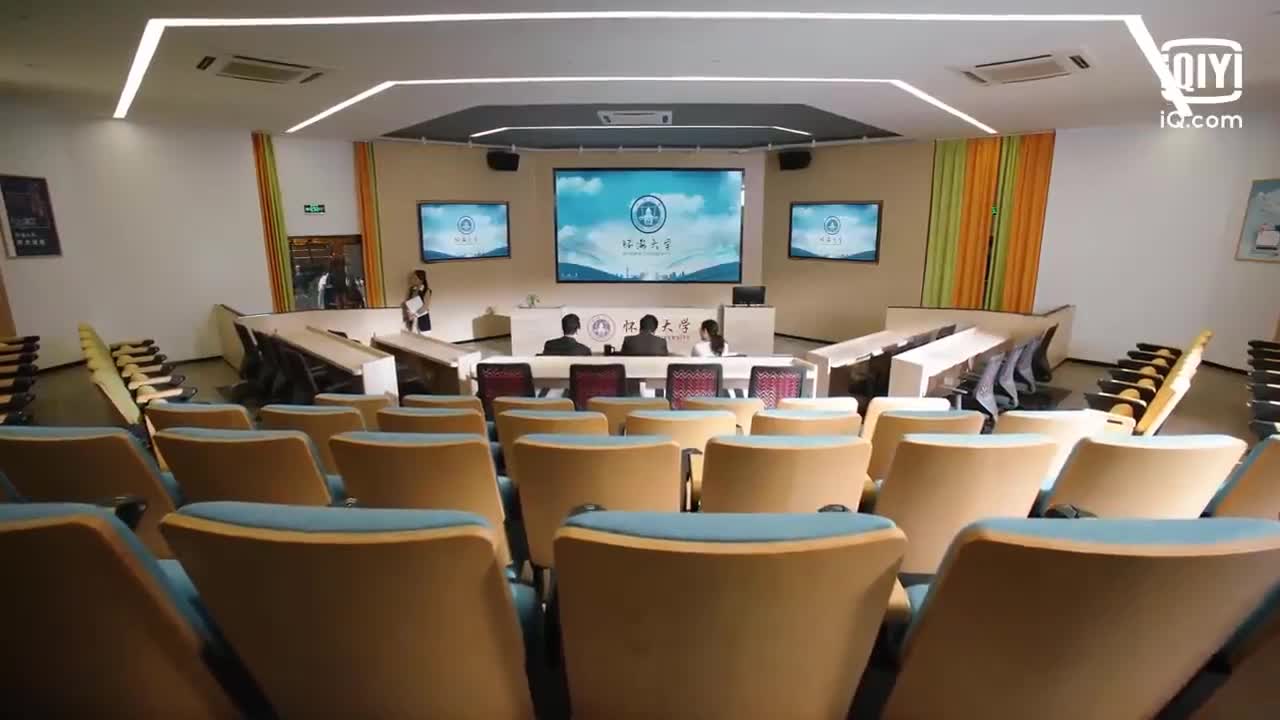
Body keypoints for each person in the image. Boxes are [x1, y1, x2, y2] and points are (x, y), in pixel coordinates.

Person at [402, 269, 431, 333]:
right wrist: (408, 312)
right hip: (412, 319)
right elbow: (409, 303)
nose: (412, 279)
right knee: (413, 336)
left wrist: (415, 315)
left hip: (422, 319)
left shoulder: (426, 290)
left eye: (414, 278)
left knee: (423, 337)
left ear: (420, 279)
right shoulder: (412, 290)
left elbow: (425, 306)